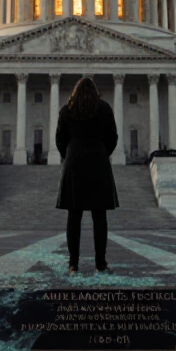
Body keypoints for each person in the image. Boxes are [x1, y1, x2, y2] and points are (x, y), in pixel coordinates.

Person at [56, 77, 119, 274]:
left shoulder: (67, 110)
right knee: (99, 216)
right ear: (95, 91)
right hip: (98, 161)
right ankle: (100, 262)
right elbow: (113, 137)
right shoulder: (104, 108)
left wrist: (70, 155)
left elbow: (60, 139)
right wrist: (101, 152)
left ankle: (73, 263)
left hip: (74, 162)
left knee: (74, 216)